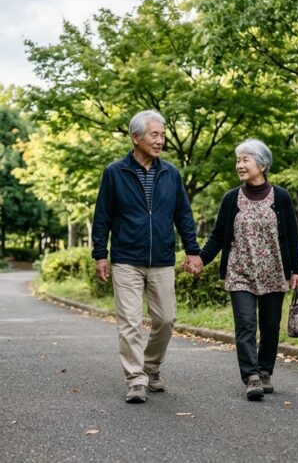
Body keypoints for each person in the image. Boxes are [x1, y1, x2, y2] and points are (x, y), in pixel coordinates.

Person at [92, 110, 203, 404]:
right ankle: (136, 380)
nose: (160, 140)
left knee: (166, 319)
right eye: (155, 134)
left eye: (163, 135)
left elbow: (184, 215)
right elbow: (102, 216)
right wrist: (99, 254)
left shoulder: (171, 173)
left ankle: (150, 367)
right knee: (129, 321)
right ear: (136, 137)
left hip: (162, 259)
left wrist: (193, 251)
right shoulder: (115, 172)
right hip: (127, 258)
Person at [192, 138, 298, 401]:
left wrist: (297, 270)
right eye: (238, 160)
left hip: (274, 271)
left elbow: (292, 236)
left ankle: (265, 371)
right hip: (240, 271)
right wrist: (200, 259)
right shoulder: (231, 199)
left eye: (245, 160)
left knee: (270, 327)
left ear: (262, 164)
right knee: (245, 324)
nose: (239, 165)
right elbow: (218, 236)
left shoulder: (282, 197)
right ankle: (251, 377)